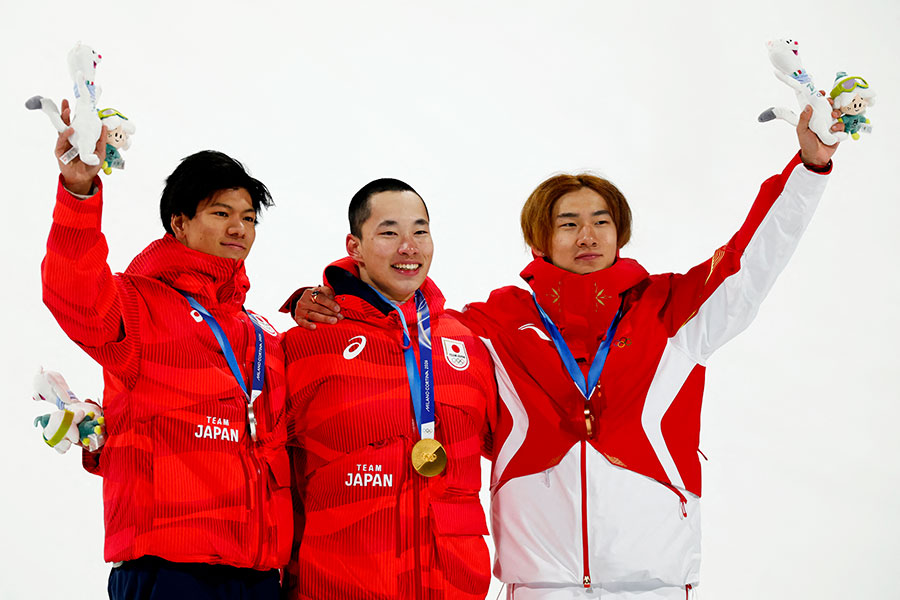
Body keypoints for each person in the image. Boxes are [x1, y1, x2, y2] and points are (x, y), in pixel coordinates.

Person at [292, 105, 842, 598]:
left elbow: (753, 261)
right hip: (540, 584)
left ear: (620, 234)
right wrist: (324, 300)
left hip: (651, 581)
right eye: (569, 223)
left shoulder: (673, 313)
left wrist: (808, 170)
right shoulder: (496, 325)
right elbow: (401, 332)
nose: (588, 236)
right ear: (540, 240)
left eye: (601, 222)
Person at [42, 99, 291, 600]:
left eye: (248, 217)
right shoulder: (140, 306)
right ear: (178, 223)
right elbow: (73, 291)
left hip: (260, 573)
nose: (239, 228)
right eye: (221, 213)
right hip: (171, 571)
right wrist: (79, 191)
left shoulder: (260, 334)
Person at [279, 178, 498, 599]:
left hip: (455, 587)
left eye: (420, 231)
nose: (409, 247)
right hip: (337, 586)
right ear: (354, 246)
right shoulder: (306, 343)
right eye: (389, 232)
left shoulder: (467, 343)